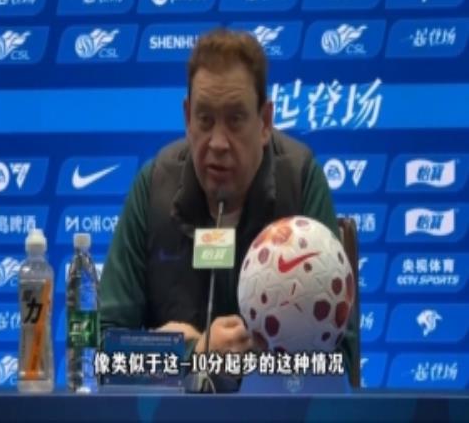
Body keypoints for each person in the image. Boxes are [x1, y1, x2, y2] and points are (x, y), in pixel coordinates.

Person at [99, 28, 358, 385]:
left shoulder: (300, 183)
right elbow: (103, 354)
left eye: (235, 120)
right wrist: (191, 354)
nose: (218, 142)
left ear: (265, 122)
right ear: (187, 118)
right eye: (205, 120)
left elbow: (339, 361)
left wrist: (241, 363)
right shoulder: (154, 186)